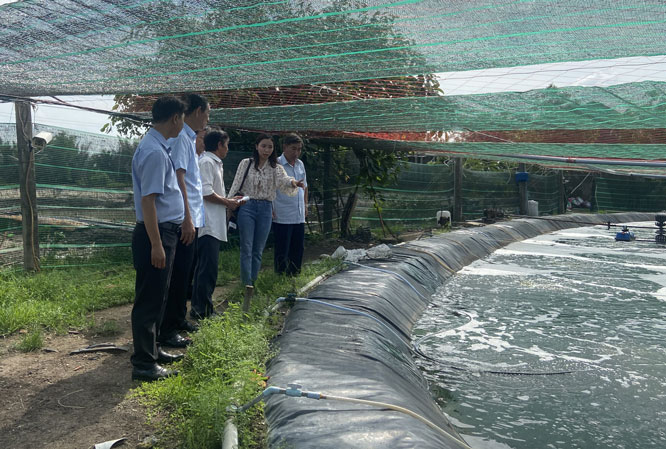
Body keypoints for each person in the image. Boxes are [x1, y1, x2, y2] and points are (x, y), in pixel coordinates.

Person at [130, 96, 186, 382]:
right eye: (182, 118)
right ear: (175, 118)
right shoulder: (153, 151)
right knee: (149, 299)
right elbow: (149, 201)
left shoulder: (158, 147)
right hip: (156, 232)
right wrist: (156, 244)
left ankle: (152, 350)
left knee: (159, 295)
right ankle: (143, 364)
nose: (183, 124)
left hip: (164, 231)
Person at [227, 134, 304, 312]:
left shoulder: (275, 167)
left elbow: (285, 181)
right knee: (246, 246)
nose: (267, 150)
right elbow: (237, 183)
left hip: (266, 208)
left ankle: (253, 282)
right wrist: (230, 204)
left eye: (269, 147)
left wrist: (294, 182)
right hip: (247, 205)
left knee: (258, 249)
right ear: (256, 146)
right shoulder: (246, 163)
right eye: (263, 146)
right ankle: (246, 283)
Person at [158, 94, 209, 347]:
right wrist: (187, 219)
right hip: (183, 219)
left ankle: (178, 319)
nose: (207, 120)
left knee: (185, 273)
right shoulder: (181, 139)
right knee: (177, 276)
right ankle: (167, 329)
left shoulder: (188, 138)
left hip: (193, 217)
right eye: (207, 114)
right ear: (198, 111)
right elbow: (179, 179)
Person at [191, 130, 241, 318]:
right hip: (207, 224)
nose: (227, 149)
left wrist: (228, 200)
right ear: (219, 144)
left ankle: (203, 308)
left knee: (207, 268)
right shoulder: (207, 162)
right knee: (207, 269)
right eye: (226, 144)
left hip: (214, 222)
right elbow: (205, 192)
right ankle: (201, 310)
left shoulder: (214, 163)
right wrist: (227, 202)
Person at [272, 133, 308, 276]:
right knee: (282, 248)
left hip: (299, 213)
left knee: (298, 247)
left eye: (299, 149)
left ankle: (295, 274)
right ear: (285, 147)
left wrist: (305, 205)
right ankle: (280, 275)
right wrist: (272, 208)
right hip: (282, 212)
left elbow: (305, 186)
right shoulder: (276, 164)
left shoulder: (300, 164)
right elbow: (272, 189)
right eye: (293, 149)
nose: (296, 153)